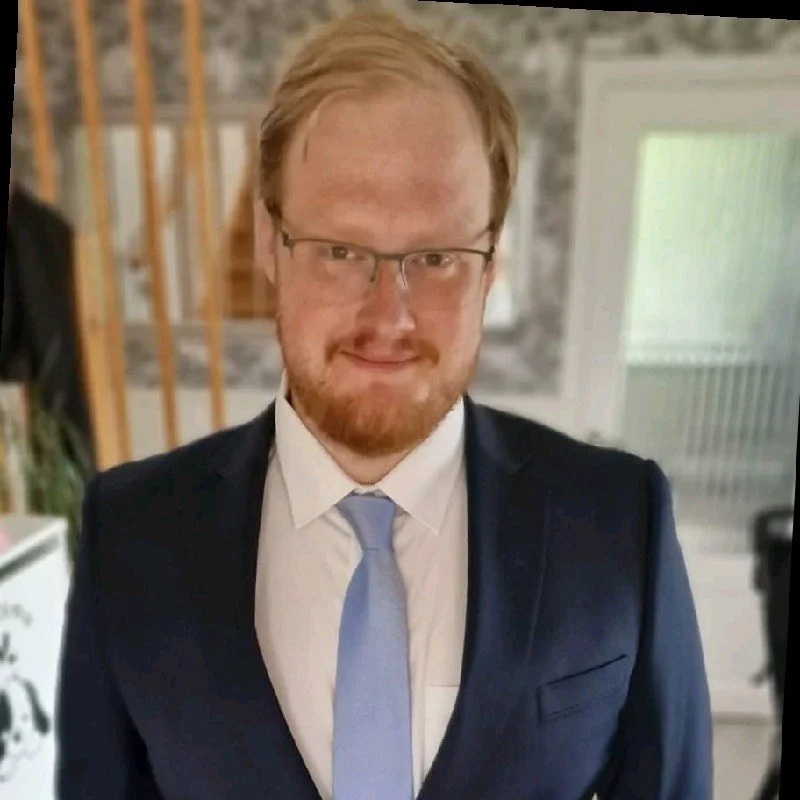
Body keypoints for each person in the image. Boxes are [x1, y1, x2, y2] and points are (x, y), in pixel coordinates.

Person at [55, 8, 712, 799]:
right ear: (271, 244)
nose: (389, 317)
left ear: (491, 260)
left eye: (436, 256)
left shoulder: (618, 522)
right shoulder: (130, 534)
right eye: (339, 250)